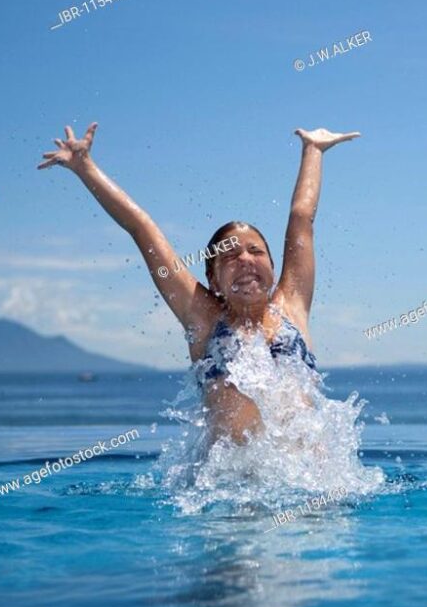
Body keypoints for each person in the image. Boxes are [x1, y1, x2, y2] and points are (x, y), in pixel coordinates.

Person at [38, 123, 359, 444]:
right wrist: (86, 168)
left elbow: (302, 217)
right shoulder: (204, 318)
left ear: (273, 268)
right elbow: (141, 227)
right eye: (230, 256)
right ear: (213, 279)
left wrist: (313, 150)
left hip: (309, 481)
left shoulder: (292, 304)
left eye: (255, 251)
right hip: (231, 484)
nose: (246, 259)